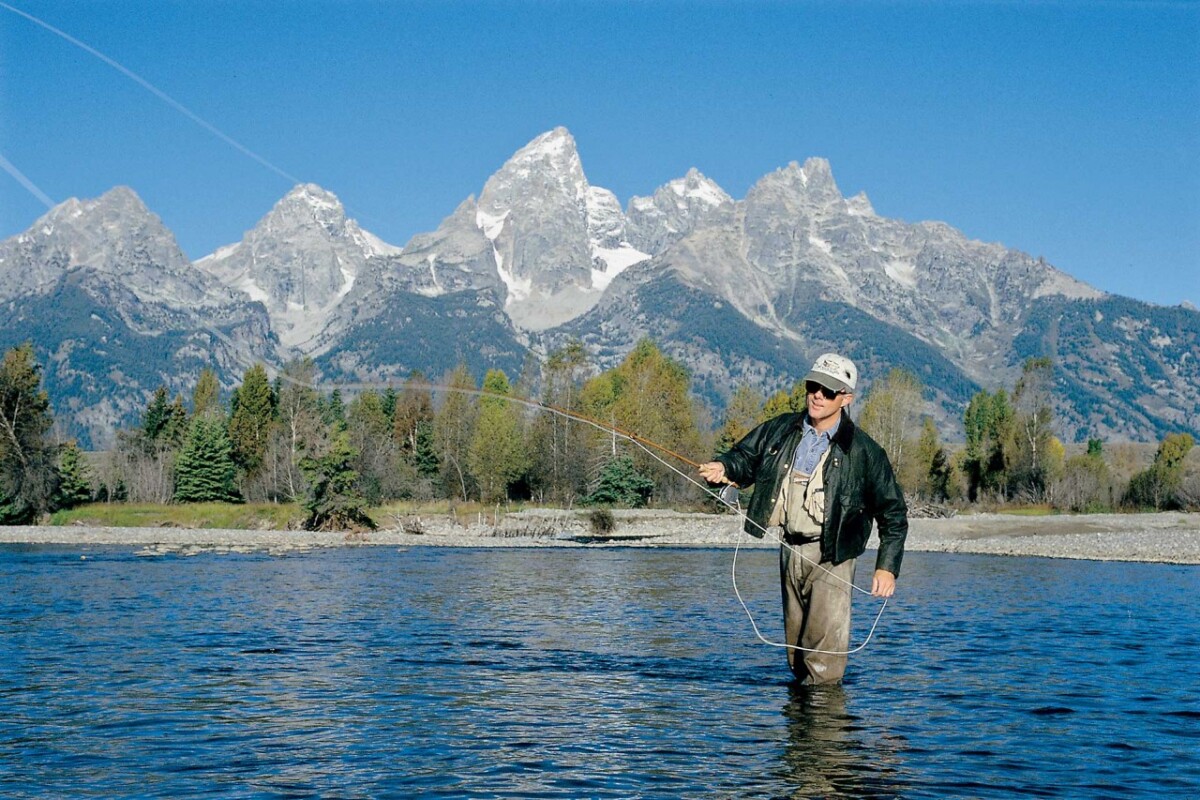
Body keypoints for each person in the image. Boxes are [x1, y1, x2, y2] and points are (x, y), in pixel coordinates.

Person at [699, 353, 908, 684]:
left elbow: (893, 513)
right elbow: (744, 457)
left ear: (846, 399)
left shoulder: (865, 451)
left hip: (834, 557)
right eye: (813, 386)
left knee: (822, 663)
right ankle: (800, 730)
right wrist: (724, 467)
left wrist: (887, 566)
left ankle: (823, 729)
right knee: (796, 655)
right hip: (789, 549)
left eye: (828, 391)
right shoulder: (781, 429)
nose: (818, 395)